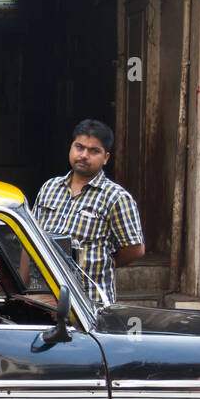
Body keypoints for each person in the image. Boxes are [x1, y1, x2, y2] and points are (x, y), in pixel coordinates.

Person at [31, 119, 144, 304]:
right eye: (79, 147)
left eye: (94, 151)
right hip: (45, 298)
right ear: (71, 148)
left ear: (106, 158)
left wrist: (102, 262)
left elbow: (135, 249)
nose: (84, 155)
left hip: (89, 303)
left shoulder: (116, 197)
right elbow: (32, 239)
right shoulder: (49, 188)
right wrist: (26, 287)